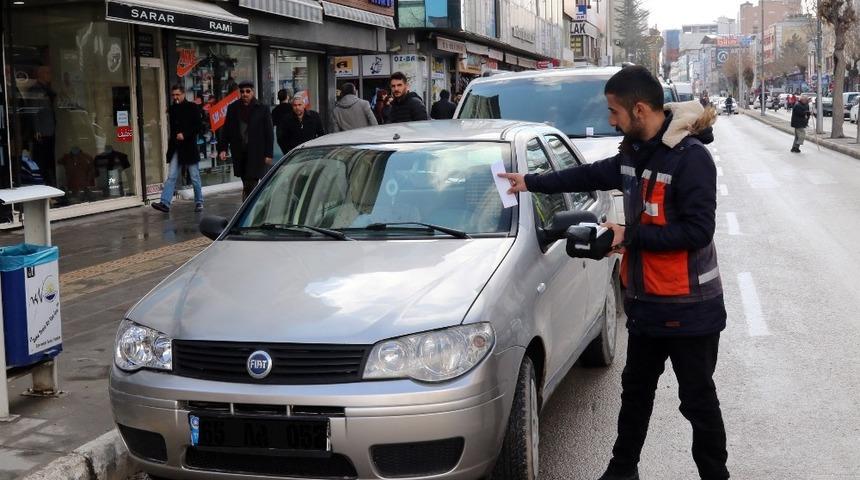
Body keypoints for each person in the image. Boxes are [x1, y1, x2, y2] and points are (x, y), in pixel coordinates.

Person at [498, 66, 729, 480]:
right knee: (635, 394)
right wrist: (529, 182)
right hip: (644, 304)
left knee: (697, 401)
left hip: (690, 309)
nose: (610, 120)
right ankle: (622, 471)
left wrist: (630, 235)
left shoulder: (692, 159)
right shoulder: (633, 153)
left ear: (639, 109)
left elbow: (698, 231)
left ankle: (715, 476)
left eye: (614, 111)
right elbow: (589, 174)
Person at [152, 85, 204, 213]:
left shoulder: (192, 107)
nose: (175, 97)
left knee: (195, 176)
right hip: (176, 147)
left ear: (183, 94)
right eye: (173, 95)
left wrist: (185, 134)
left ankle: (199, 201)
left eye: (177, 95)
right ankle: (165, 203)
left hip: (189, 148)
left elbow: (199, 126)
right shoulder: (173, 108)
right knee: (172, 176)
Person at [218, 81, 273, 200]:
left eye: (248, 91)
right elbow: (227, 129)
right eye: (242, 91)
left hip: (256, 152)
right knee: (246, 180)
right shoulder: (233, 108)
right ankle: (251, 203)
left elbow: (268, 132)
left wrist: (268, 153)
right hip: (239, 152)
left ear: (253, 92)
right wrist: (222, 148)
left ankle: (247, 206)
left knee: (251, 180)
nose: (245, 94)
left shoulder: (262, 108)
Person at [271, 88, 292, 153]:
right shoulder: (292, 108)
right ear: (287, 97)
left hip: (280, 134)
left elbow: (272, 123)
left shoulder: (275, 110)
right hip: (291, 133)